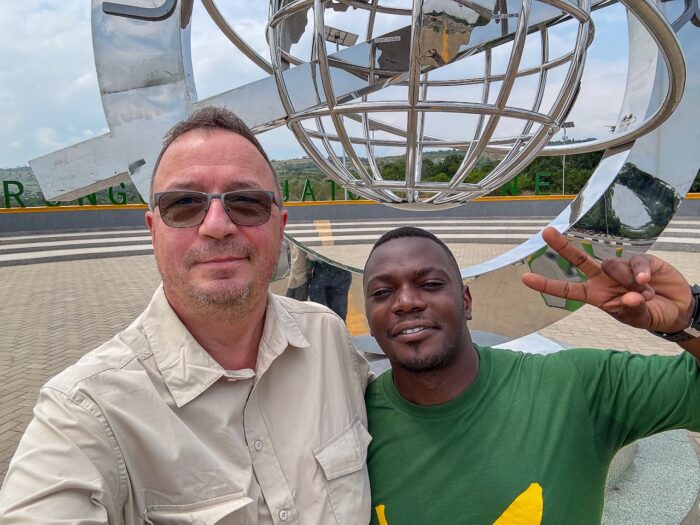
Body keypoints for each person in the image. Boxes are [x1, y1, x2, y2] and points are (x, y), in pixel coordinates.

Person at [0, 107, 371, 524]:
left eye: (246, 202)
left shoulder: (328, 339)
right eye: (183, 204)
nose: (217, 225)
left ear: (280, 226)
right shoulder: (87, 412)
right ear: (152, 229)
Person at [363, 226, 700, 525]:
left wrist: (691, 316)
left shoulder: (576, 386)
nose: (406, 302)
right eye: (382, 293)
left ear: (466, 301)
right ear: (368, 315)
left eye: (430, 284)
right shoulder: (350, 423)